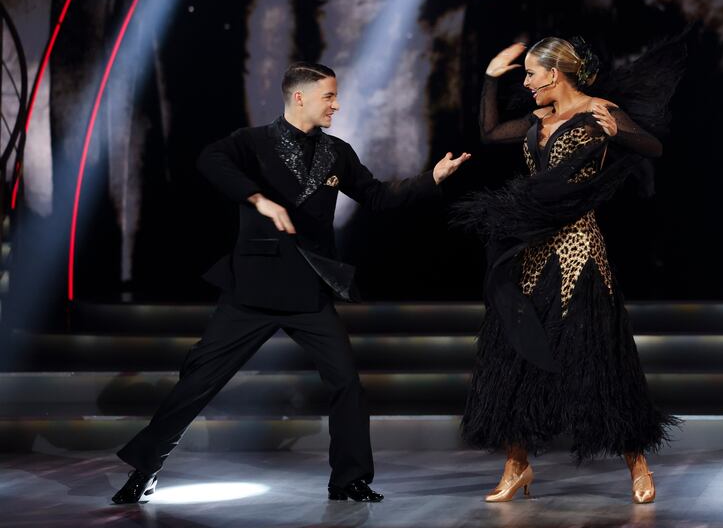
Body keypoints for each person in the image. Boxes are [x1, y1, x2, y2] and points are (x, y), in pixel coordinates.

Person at [111, 61, 470, 504]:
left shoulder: (337, 151)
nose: (336, 105)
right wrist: (258, 198)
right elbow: (209, 159)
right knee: (197, 382)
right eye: (329, 97)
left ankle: (349, 479)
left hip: (309, 289)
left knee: (346, 383)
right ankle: (144, 471)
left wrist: (431, 179)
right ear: (299, 97)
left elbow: (377, 196)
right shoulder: (252, 142)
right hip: (253, 288)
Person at [454, 37, 678, 504]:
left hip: (578, 251)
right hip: (532, 250)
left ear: (555, 74)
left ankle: (637, 462)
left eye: (530, 74)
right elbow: (490, 132)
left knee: (599, 359)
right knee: (516, 352)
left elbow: (653, 146)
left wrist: (620, 134)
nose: (528, 83)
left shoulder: (600, 112)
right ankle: (517, 464)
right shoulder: (536, 121)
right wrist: (492, 77)